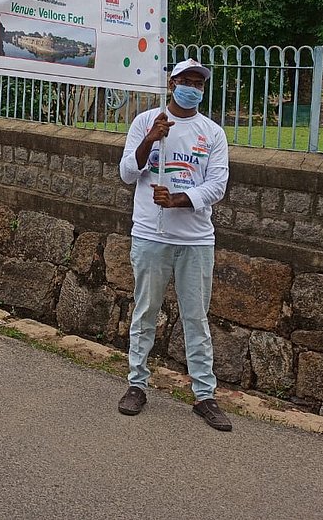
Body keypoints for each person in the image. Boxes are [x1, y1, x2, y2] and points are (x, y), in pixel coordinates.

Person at [117, 58, 231, 432]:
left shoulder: (212, 133)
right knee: (145, 311)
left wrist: (180, 199)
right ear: (172, 84)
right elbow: (127, 173)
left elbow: (217, 186)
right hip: (151, 235)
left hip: (196, 240)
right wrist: (151, 138)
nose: (193, 88)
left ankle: (204, 395)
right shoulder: (145, 122)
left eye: (199, 83)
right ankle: (137, 383)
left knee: (196, 318)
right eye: (186, 81)